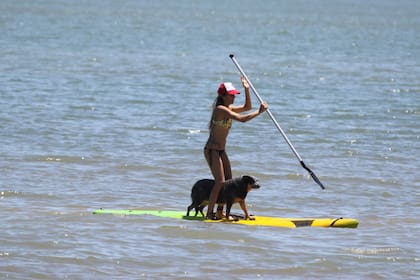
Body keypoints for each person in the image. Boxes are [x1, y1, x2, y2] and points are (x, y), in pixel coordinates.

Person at [204, 77, 268, 220]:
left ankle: (220, 212)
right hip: (212, 150)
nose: (233, 97)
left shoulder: (229, 108)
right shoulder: (220, 109)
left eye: (234, 95)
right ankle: (209, 213)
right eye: (231, 95)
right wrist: (260, 112)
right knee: (220, 182)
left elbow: (247, 107)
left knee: (228, 182)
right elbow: (242, 119)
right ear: (223, 96)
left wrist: (246, 89)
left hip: (221, 150)